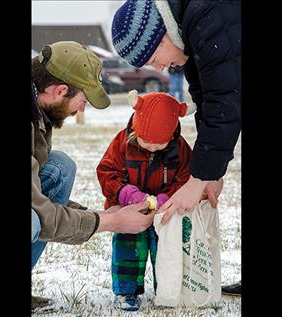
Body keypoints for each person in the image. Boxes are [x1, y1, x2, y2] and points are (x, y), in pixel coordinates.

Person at [111, 0, 242, 296]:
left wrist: (197, 181)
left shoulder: (205, 14)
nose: (159, 68)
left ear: (161, 33)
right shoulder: (190, 31)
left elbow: (226, 101)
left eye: (153, 58)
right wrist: (211, 174)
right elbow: (209, 101)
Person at [31, 41, 156, 310]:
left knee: (60, 167)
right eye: (83, 101)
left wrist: (107, 215)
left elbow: (39, 198)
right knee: (31, 220)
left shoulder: (39, 112)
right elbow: (40, 214)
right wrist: (111, 223)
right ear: (61, 90)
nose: (82, 109)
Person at [96, 90, 193, 311]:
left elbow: (185, 178)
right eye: (146, 142)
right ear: (136, 130)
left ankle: (167, 289)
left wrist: (167, 197)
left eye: (159, 145)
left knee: (166, 250)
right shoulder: (123, 141)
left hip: (164, 211)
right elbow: (106, 171)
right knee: (129, 248)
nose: (151, 148)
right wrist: (124, 193)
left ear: (171, 136)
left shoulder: (180, 149)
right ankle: (126, 291)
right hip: (128, 210)